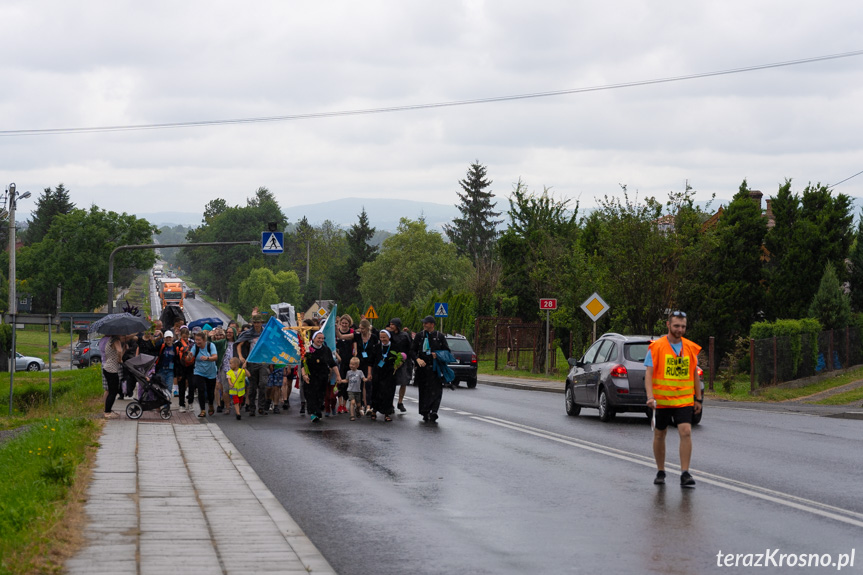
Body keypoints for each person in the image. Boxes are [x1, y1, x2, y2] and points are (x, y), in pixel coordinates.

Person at [645, 310, 703, 488]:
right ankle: (661, 471)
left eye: (683, 326)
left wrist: (698, 399)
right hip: (662, 400)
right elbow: (648, 374)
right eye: (677, 325)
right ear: (668, 325)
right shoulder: (656, 347)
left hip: (683, 400)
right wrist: (650, 397)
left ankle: (685, 473)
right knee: (660, 434)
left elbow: (694, 373)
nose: (680, 329)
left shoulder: (690, 348)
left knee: (686, 432)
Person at [412, 315, 450, 423]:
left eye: (426, 323)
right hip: (422, 369)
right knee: (424, 390)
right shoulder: (420, 336)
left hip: (435, 368)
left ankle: (434, 411)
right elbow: (412, 350)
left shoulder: (439, 336)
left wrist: (438, 355)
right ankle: (425, 412)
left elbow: (447, 351)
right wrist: (417, 359)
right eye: (423, 323)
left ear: (432, 325)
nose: (424, 325)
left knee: (436, 390)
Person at [300, 330, 342, 422]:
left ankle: (317, 410)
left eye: (322, 338)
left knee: (320, 395)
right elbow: (303, 364)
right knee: (311, 395)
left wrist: (338, 376)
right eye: (319, 338)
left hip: (322, 376)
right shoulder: (307, 349)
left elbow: (332, 363)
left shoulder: (326, 350)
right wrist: (304, 375)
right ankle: (314, 413)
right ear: (314, 339)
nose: (321, 340)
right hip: (310, 377)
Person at [238, 315, 268, 416]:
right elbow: (239, 345)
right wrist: (241, 357)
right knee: (252, 386)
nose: (257, 324)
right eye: (255, 322)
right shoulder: (249, 333)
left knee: (263, 384)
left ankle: (261, 407)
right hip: (252, 361)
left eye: (258, 322)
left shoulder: (265, 333)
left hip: (263, 361)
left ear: (261, 322)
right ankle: (252, 407)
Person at [369, 329, 400, 422]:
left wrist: (398, 364)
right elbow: (371, 361)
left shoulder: (394, 347)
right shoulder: (377, 347)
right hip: (378, 373)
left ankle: (387, 413)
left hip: (389, 374)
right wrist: (370, 373)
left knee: (388, 393)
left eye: (384, 337)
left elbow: (400, 359)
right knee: (376, 392)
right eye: (381, 337)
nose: (382, 339)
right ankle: (374, 411)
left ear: (389, 337)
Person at [386, 318, 413, 413]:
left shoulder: (405, 335)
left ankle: (400, 402)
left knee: (404, 382)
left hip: (404, 361)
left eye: (393, 324)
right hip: (392, 361)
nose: (391, 326)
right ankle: (390, 403)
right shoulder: (389, 335)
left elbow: (410, 348)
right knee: (391, 383)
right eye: (390, 324)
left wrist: (405, 359)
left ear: (397, 325)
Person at [352, 319, 379, 415]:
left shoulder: (374, 337)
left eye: (363, 328)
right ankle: (361, 405)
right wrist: (336, 330)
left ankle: (369, 405)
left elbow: (377, 350)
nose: (361, 330)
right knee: (360, 385)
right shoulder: (357, 336)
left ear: (368, 328)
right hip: (360, 363)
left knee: (369, 384)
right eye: (360, 328)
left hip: (370, 363)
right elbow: (343, 336)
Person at [190, 331, 218, 417]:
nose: (197, 342)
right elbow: (189, 358)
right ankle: (202, 410)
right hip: (199, 371)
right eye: (196, 340)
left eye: (199, 340)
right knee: (201, 390)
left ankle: (210, 405)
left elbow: (215, 357)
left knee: (210, 391)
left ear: (204, 340)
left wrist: (207, 358)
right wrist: (189, 356)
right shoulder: (195, 347)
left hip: (211, 372)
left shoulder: (211, 346)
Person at [102, 335, 126, 419]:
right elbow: (119, 351)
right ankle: (107, 412)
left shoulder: (110, 340)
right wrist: (120, 359)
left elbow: (117, 353)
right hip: (111, 370)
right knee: (113, 392)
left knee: (112, 391)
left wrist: (124, 350)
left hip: (108, 368)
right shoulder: (116, 340)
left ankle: (108, 410)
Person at [335, 314, 355, 414]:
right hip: (339, 360)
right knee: (340, 382)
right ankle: (340, 405)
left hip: (349, 361)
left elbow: (355, 346)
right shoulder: (336, 333)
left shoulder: (351, 332)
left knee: (347, 382)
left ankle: (345, 404)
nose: (344, 325)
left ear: (349, 324)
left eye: (346, 323)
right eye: (342, 323)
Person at [175, 327, 195, 413]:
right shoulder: (177, 344)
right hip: (181, 367)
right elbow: (175, 358)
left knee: (191, 386)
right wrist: (177, 372)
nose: (185, 339)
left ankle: (190, 403)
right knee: (181, 387)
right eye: (184, 337)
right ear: (180, 336)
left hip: (191, 367)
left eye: (187, 337)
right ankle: (181, 404)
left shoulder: (192, 343)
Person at [153, 331, 176, 401]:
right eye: (166, 338)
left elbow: (177, 360)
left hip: (170, 371)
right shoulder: (161, 346)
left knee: (168, 389)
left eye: (170, 337)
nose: (168, 339)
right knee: (161, 389)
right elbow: (153, 345)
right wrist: (160, 336)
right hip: (161, 370)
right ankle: (160, 404)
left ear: (172, 338)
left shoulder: (175, 348)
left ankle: (166, 407)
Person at [226, 356, 247, 420]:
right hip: (234, 391)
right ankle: (238, 414)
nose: (229, 365)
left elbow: (249, 375)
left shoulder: (242, 371)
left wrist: (245, 369)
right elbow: (229, 380)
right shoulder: (229, 372)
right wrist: (231, 384)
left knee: (240, 401)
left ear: (236, 364)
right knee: (236, 402)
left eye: (231, 363)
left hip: (241, 392)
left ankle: (239, 409)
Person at [345, 356, 365, 421]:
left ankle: (357, 410)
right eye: (350, 364)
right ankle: (352, 415)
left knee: (359, 405)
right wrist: (341, 381)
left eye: (353, 364)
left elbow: (363, 379)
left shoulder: (360, 372)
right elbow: (347, 380)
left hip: (358, 390)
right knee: (352, 402)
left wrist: (367, 379)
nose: (351, 365)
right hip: (350, 390)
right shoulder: (348, 372)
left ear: (357, 365)